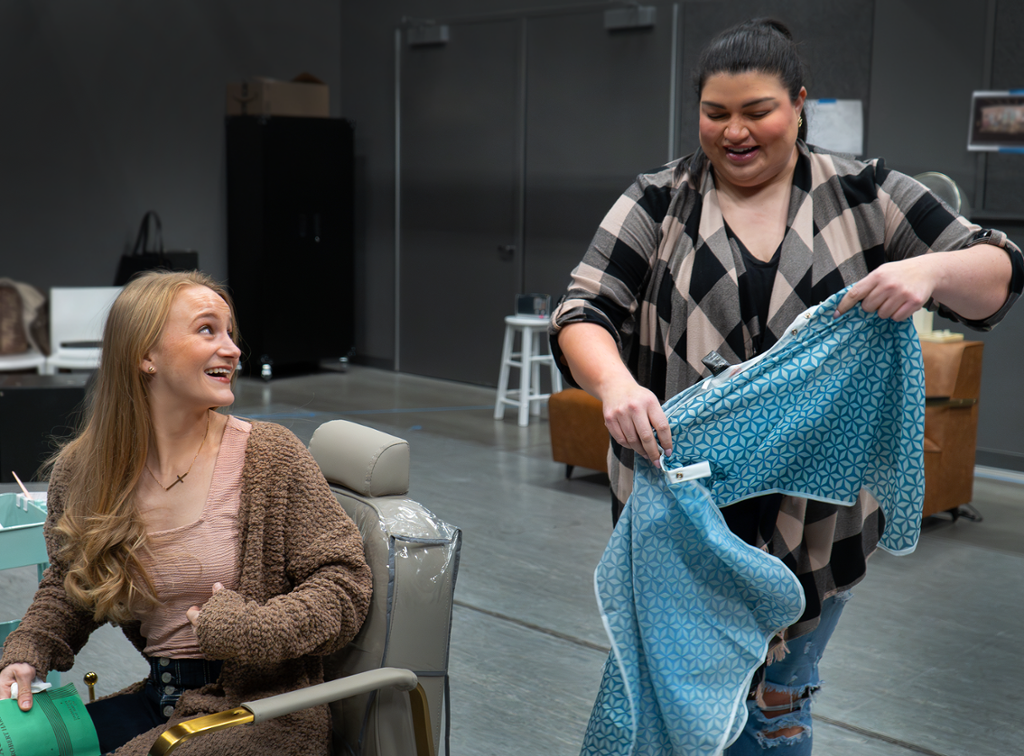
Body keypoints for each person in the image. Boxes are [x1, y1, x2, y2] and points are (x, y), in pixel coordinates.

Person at [550, 18, 1023, 755]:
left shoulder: (864, 194)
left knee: (777, 710)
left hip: (814, 525)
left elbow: (998, 272)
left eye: (757, 111)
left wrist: (928, 270)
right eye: (716, 113)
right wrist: (613, 383)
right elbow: (582, 309)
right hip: (682, 515)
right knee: (676, 701)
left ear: (798, 104)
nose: (735, 132)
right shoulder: (658, 201)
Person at [0, 270, 372, 755]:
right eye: (207, 330)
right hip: (166, 698)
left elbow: (344, 584)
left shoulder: (270, 456)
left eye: (230, 333)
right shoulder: (84, 470)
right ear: (145, 356)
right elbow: (75, 584)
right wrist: (32, 649)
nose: (234, 350)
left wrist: (255, 629)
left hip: (263, 711)